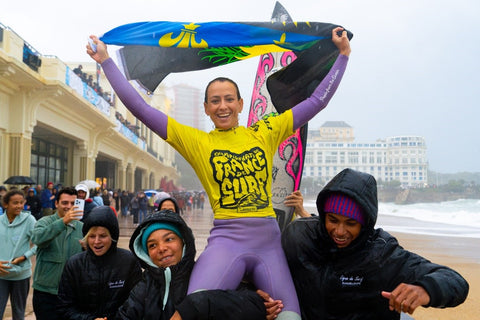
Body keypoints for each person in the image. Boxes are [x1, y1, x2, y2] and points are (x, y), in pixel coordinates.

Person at [87, 26, 351, 320]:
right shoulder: (198, 142)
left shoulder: (265, 132)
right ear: (207, 108)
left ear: (240, 104)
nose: (222, 106)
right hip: (227, 240)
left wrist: (342, 56)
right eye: (215, 100)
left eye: (229, 99)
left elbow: (316, 102)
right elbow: (140, 108)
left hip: (269, 243)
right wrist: (106, 62)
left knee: (289, 317)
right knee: (190, 312)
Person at [281, 168, 469, 319]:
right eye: (333, 219)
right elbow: (265, 266)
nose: (339, 231)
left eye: (350, 223)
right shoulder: (298, 236)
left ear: (365, 223)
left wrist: (425, 288)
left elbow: (456, 281)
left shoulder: (382, 253)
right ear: (323, 216)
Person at [117, 210, 272, 320]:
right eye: (152, 245)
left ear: (184, 242)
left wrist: (199, 303)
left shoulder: (206, 274)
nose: (162, 249)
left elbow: (256, 304)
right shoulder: (145, 285)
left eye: (169, 239)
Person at [57, 206, 142, 319]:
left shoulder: (129, 262)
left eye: (103, 236)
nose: (97, 241)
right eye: (92, 236)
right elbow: (64, 308)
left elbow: (136, 303)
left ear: (112, 237)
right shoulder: (74, 264)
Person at [31, 187, 84, 320]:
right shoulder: (45, 222)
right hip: (46, 293)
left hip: (72, 294)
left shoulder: (82, 227)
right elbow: (37, 239)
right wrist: (63, 222)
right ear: (56, 204)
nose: (69, 207)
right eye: (65, 203)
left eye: (73, 203)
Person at [0, 190, 37, 320]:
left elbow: (39, 242)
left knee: (19, 313)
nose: (19, 206)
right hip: (1, 274)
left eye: (21, 203)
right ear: (5, 204)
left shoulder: (29, 220)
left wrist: (25, 256)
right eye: (15, 203)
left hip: (21, 275)